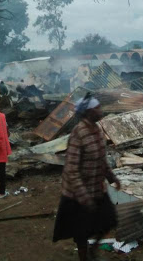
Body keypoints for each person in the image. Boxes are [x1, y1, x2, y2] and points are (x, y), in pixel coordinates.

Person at [53, 93, 121, 261]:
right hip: (78, 193)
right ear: (89, 113)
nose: (100, 110)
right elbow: (71, 169)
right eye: (97, 108)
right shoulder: (78, 133)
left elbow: (100, 158)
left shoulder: (97, 130)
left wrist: (112, 177)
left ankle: (94, 249)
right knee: (80, 231)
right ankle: (84, 257)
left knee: (109, 221)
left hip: (96, 187)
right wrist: (83, 196)